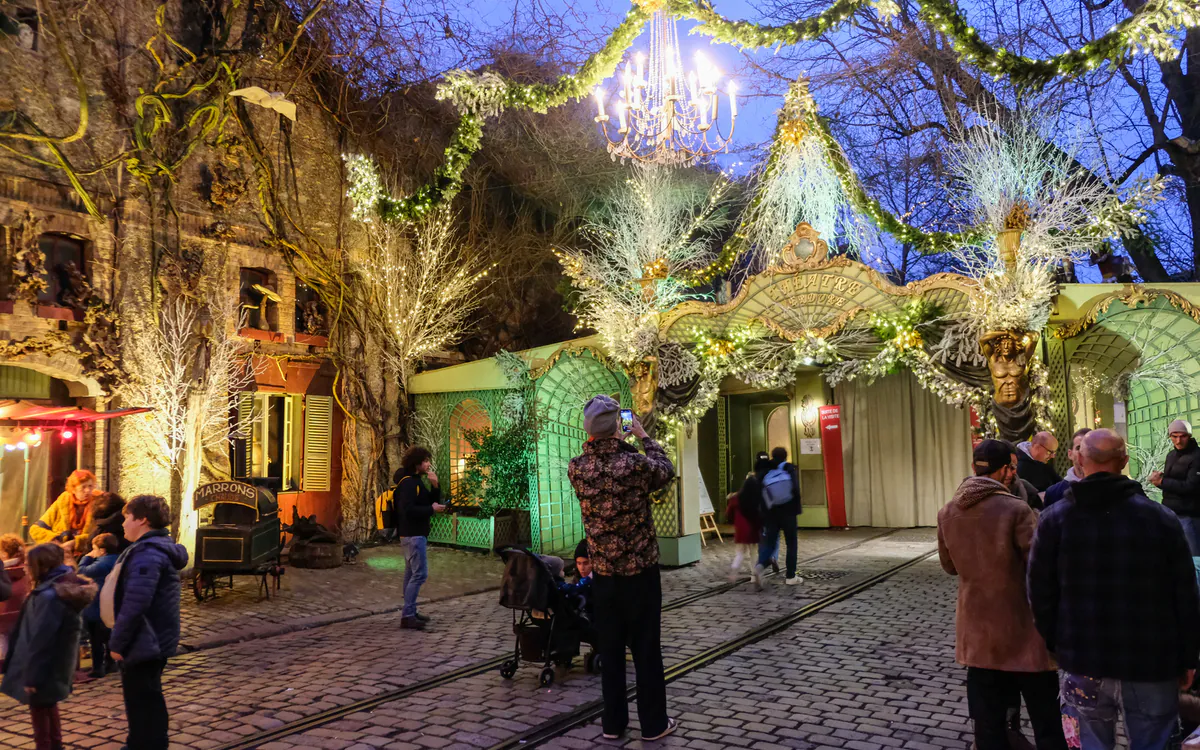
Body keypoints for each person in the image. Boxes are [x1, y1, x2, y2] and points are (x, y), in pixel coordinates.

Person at [1028, 429, 1200, 750]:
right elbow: (1186, 596)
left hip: (1084, 659)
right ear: (1124, 461)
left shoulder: (1054, 520)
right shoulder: (1161, 519)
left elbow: (1039, 594)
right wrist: (1189, 656)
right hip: (1151, 661)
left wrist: (1057, 643)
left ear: (1080, 460)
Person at [938, 440, 1066, 750]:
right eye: (1011, 467)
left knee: (988, 726)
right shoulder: (1016, 509)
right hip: (1023, 632)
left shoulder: (948, 512)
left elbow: (949, 567)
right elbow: (1039, 567)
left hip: (978, 635)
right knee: (1046, 722)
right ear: (1005, 470)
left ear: (974, 469)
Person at [568, 395, 676, 742]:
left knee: (611, 650)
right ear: (619, 425)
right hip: (640, 573)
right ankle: (654, 724)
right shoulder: (634, 465)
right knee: (646, 650)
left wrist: (615, 442)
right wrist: (642, 437)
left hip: (603, 576)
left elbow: (602, 465)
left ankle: (613, 725)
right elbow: (665, 470)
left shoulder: (577, 467)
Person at [108, 494, 188, 750]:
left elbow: (136, 603)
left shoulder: (147, 554)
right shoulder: (150, 550)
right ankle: (142, 743)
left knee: (142, 698)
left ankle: (145, 745)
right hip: (151, 638)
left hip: (146, 639)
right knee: (146, 695)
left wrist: (118, 642)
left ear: (142, 520)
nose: (123, 525)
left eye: (126, 518)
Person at [0, 543, 97, 750]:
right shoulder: (54, 589)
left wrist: (32, 676)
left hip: (44, 666)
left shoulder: (48, 596)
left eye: (28, 563)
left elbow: (41, 638)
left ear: (41, 566)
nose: (25, 567)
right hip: (53, 664)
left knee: (40, 716)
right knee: (48, 707)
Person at [394, 446, 446, 631]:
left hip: (414, 534)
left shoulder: (416, 481)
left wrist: (435, 486)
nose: (428, 464)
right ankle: (407, 616)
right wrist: (431, 510)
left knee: (411, 574)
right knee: (420, 574)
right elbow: (407, 510)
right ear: (417, 463)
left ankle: (410, 612)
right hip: (412, 534)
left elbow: (427, 502)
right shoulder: (409, 483)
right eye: (425, 461)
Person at [1150, 420, 1200, 557]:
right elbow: (1172, 482)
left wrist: (1162, 481)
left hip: (1189, 515)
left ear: (1189, 436)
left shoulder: (1197, 456)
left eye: (1182, 436)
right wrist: (1159, 479)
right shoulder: (1171, 455)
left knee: (1195, 557)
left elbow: (1192, 486)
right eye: (1174, 436)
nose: (1178, 441)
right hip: (1170, 513)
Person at [754, 447, 802, 588]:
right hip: (788, 512)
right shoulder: (788, 468)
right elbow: (796, 489)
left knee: (770, 542)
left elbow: (759, 491)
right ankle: (791, 576)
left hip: (771, 513)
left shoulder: (766, 470)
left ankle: (760, 566)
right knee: (791, 543)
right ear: (785, 456)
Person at [76, 532, 119, 678]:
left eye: (95, 548)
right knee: (107, 636)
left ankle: (97, 668)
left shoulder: (103, 562)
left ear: (102, 550)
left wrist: (86, 557)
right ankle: (110, 663)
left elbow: (82, 571)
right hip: (110, 603)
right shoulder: (118, 559)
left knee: (96, 638)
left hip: (98, 604)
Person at [29, 469, 97, 546]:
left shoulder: (99, 502)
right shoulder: (62, 502)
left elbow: (98, 535)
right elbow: (35, 529)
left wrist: (75, 543)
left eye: (90, 486)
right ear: (73, 489)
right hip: (61, 551)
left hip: (87, 552)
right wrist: (56, 540)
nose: (88, 490)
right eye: (83, 487)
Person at [1043, 429, 1092, 508]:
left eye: (1090, 448)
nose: (1084, 452)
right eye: (1079, 447)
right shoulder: (1054, 493)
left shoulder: (1109, 488)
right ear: (1070, 454)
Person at [0, 533, 28, 659]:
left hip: (3, 616)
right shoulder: (25, 568)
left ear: (6, 553)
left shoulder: (5, 571)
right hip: (20, 616)